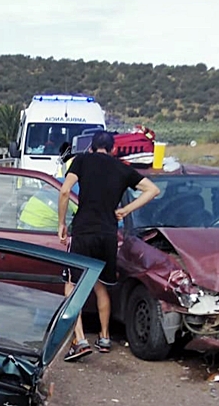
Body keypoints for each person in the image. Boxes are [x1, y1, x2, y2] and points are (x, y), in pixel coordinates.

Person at [58, 131, 160, 359]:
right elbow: (153, 190)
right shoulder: (121, 168)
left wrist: (61, 223)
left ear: (91, 147)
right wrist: (126, 210)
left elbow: (65, 191)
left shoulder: (81, 160)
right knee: (100, 285)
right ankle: (104, 338)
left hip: (84, 231)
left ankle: (80, 340)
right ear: (113, 149)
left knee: (72, 285)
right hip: (108, 234)